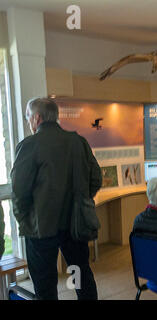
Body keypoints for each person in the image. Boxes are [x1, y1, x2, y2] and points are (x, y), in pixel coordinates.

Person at [11, 97, 102, 300]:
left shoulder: (29, 146)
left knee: (45, 283)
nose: (29, 123)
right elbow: (96, 178)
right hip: (76, 225)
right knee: (79, 275)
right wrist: (82, 200)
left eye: (28, 118)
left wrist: (26, 220)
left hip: (41, 229)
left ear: (36, 118)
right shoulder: (78, 142)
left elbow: (19, 191)